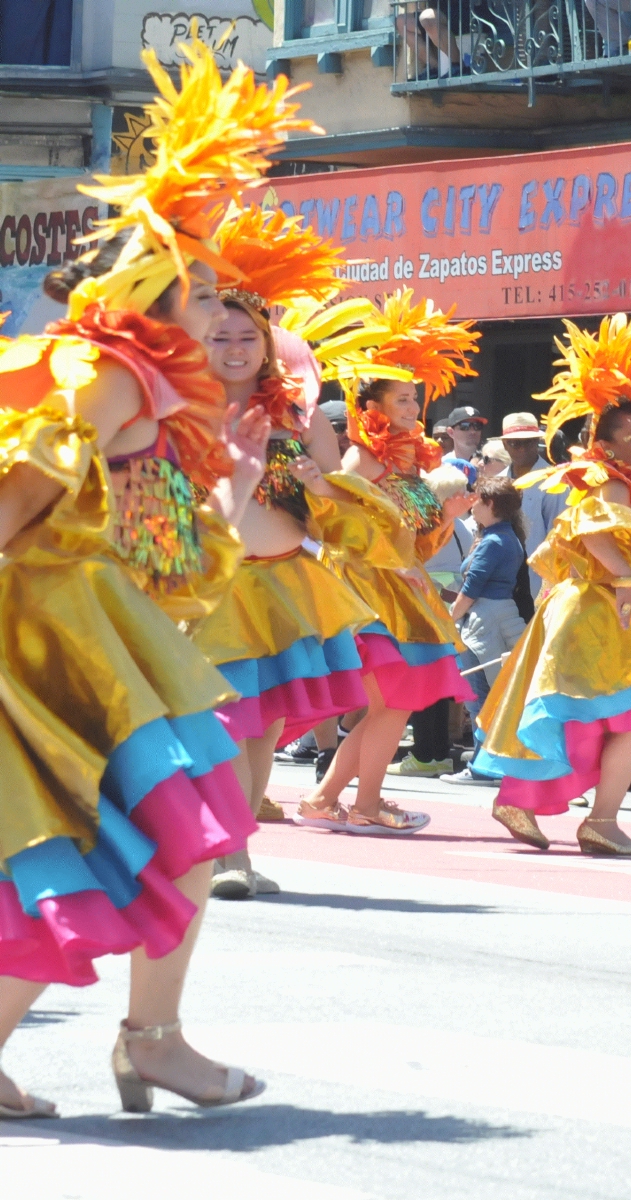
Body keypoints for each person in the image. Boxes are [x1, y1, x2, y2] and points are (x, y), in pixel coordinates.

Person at [0, 37, 305, 1117]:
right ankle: (153, 1038)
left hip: (109, 628)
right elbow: (21, 490)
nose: (223, 307)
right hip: (65, 634)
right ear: (152, 288)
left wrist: (273, 483)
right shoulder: (105, 373)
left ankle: (150, 1038)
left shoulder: (153, 397)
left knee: (134, 836)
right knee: (166, 824)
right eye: (206, 284)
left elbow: (207, 547)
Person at [191, 205, 378, 898]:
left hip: (289, 586)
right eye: (222, 336)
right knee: (222, 724)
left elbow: (341, 498)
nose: (235, 347)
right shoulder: (183, 411)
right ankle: (224, 852)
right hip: (215, 589)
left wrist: (313, 480)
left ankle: (236, 847)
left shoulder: (293, 415)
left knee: (262, 729)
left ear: (268, 346)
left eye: (248, 336)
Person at [476, 314, 631, 854]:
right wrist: (624, 580)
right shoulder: (609, 484)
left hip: (589, 606)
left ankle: (535, 801)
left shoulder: (612, 483)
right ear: (608, 444)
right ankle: (600, 820)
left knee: (606, 716)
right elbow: (593, 531)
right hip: (593, 612)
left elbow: (587, 539)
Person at [297, 290, 480, 835]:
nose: (411, 408)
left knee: (390, 706)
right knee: (392, 704)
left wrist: (446, 516)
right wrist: (387, 558)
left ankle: (328, 798)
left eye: (413, 399)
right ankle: (365, 804)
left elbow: (418, 546)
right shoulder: (361, 459)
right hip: (371, 599)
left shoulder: (404, 465)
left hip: (403, 594)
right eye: (400, 399)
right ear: (371, 407)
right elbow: (342, 532)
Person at [390, 462, 480, 779]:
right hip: (411, 598)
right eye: (462, 491)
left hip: (427, 600)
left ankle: (431, 754)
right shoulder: (422, 520)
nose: (470, 495)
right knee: (419, 676)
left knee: (432, 675)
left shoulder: (453, 523)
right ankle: (428, 753)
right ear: (446, 495)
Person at [439, 475, 529, 786]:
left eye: (477, 501)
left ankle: (483, 766)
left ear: (490, 504)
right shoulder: (505, 537)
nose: (472, 507)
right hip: (497, 616)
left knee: (479, 696)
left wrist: (450, 620)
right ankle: (488, 762)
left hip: (482, 622)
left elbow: (471, 589)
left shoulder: (494, 540)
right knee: (490, 694)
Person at [501, 411, 569, 597]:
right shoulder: (498, 480)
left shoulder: (554, 482)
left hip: (538, 582)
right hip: (501, 581)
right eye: (515, 443)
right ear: (504, 445)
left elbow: (559, 536)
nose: (522, 449)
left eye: (529, 442)